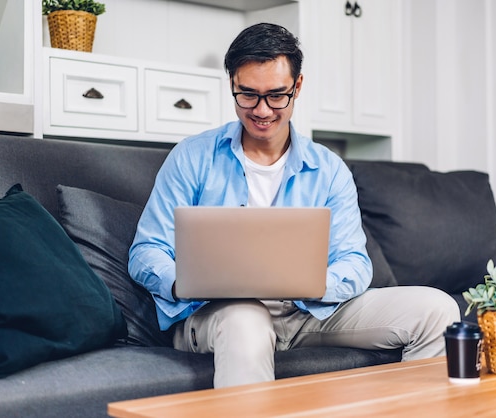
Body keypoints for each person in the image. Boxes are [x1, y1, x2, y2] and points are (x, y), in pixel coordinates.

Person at [128, 22, 460, 388]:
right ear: (232, 86)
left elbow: (354, 262)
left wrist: (312, 284)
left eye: (276, 95)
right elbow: (146, 251)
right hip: (218, 314)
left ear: (297, 87)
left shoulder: (329, 169)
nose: (262, 110)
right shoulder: (192, 157)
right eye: (248, 95)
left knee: (437, 309)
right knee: (246, 321)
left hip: (307, 313)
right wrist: (186, 283)